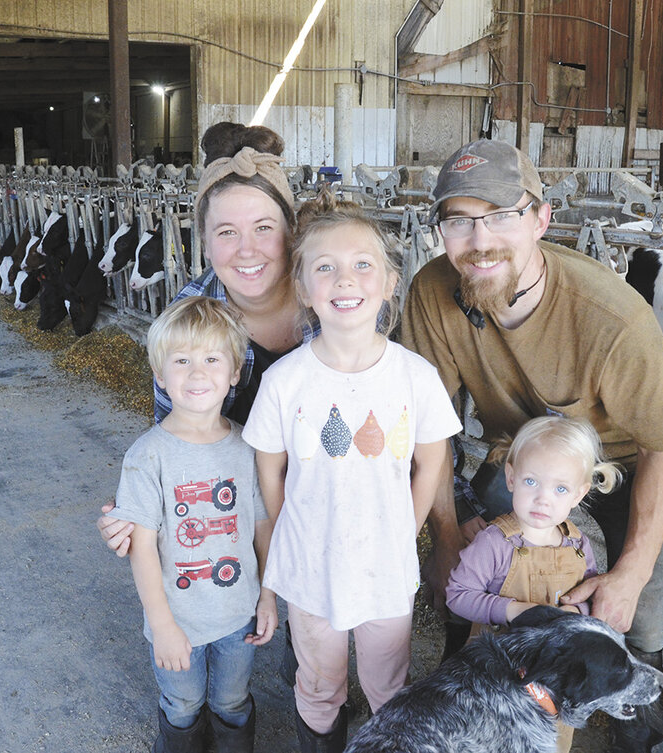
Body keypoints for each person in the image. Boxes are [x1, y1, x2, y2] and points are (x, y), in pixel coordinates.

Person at [401, 138, 663, 753]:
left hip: (620, 463)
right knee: (469, 588)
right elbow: (427, 425)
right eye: (458, 220)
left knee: (640, 615)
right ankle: (471, 714)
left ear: (540, 218)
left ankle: (653, 739)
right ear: (441, 231)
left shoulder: (613, 317)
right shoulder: (433, 292)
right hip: (516, 454)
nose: (479, 241)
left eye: (501, 216)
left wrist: (630, 574)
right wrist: (447, 535)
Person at [241, 192, 462, 753]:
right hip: (310, 568)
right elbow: (271, 472)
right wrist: (290, 536)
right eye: (326, 268)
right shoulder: (285, 381)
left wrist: (405, 532)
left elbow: (432, 458)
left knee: (389, 683)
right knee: (319, 683)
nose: (346, 280)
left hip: (384, 568)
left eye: (363, 264)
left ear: (390, 283)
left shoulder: (415, 375)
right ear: (303, 288)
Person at [97, 121, 301, 554]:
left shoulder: (338, 303)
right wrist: (144, 507)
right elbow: (174, 437)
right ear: (204, 243)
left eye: (264, 227)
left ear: (291, 230)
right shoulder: (186, 320)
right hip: (237, 505)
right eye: (226, 232)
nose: (247, 250)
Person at [107, 296, 274, 752]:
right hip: (177, 618)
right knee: (182, 704)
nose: (197, 373)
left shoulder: (247, 447)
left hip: (239, 614)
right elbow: (142, 547)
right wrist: (161, 625)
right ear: (161, 375)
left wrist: (269, 596)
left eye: (212, 359)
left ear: (235, 371)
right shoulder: (148, 455)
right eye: (181, 360)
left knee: (232, 700)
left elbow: (261, 525)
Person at [446, 415, 622, 753]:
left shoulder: (578, 544)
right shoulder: (494, 542)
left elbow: (588, 596)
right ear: (511, 478)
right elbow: (457, 595)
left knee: (553, 741)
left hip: (555, 680)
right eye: (531, 482)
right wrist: (514, 609)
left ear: (579, 493)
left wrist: (577, 610)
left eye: (560, 488)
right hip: (495, 680)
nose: (543, 498)